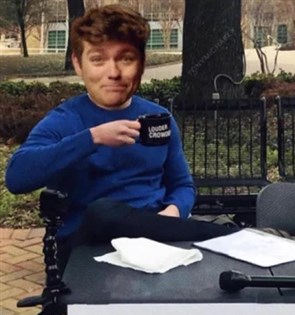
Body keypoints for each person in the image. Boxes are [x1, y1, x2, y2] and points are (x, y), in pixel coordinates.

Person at [5, 5, 236, 266]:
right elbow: (17, 177)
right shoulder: (65, 120)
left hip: (156, 242)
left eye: (126, 59)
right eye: (98, 60)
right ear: (78, 64)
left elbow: (182, 185)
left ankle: (231, 240)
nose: (113, 73)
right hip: (89, 248)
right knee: (103, 212)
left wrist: (172, 214)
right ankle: (230, 236)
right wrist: (92, 138)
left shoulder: (158, 119)